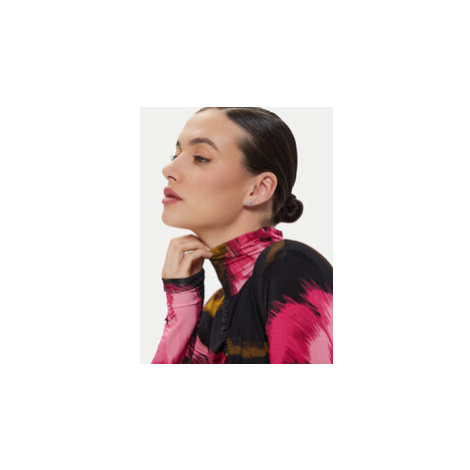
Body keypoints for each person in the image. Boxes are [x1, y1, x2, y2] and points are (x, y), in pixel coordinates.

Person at [151, 107, 332, 364]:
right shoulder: (216, 310)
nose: (168, 169)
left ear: (258, 189)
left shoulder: (291, 268)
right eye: (176, 154)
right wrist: (181, 307)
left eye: (200, 157)